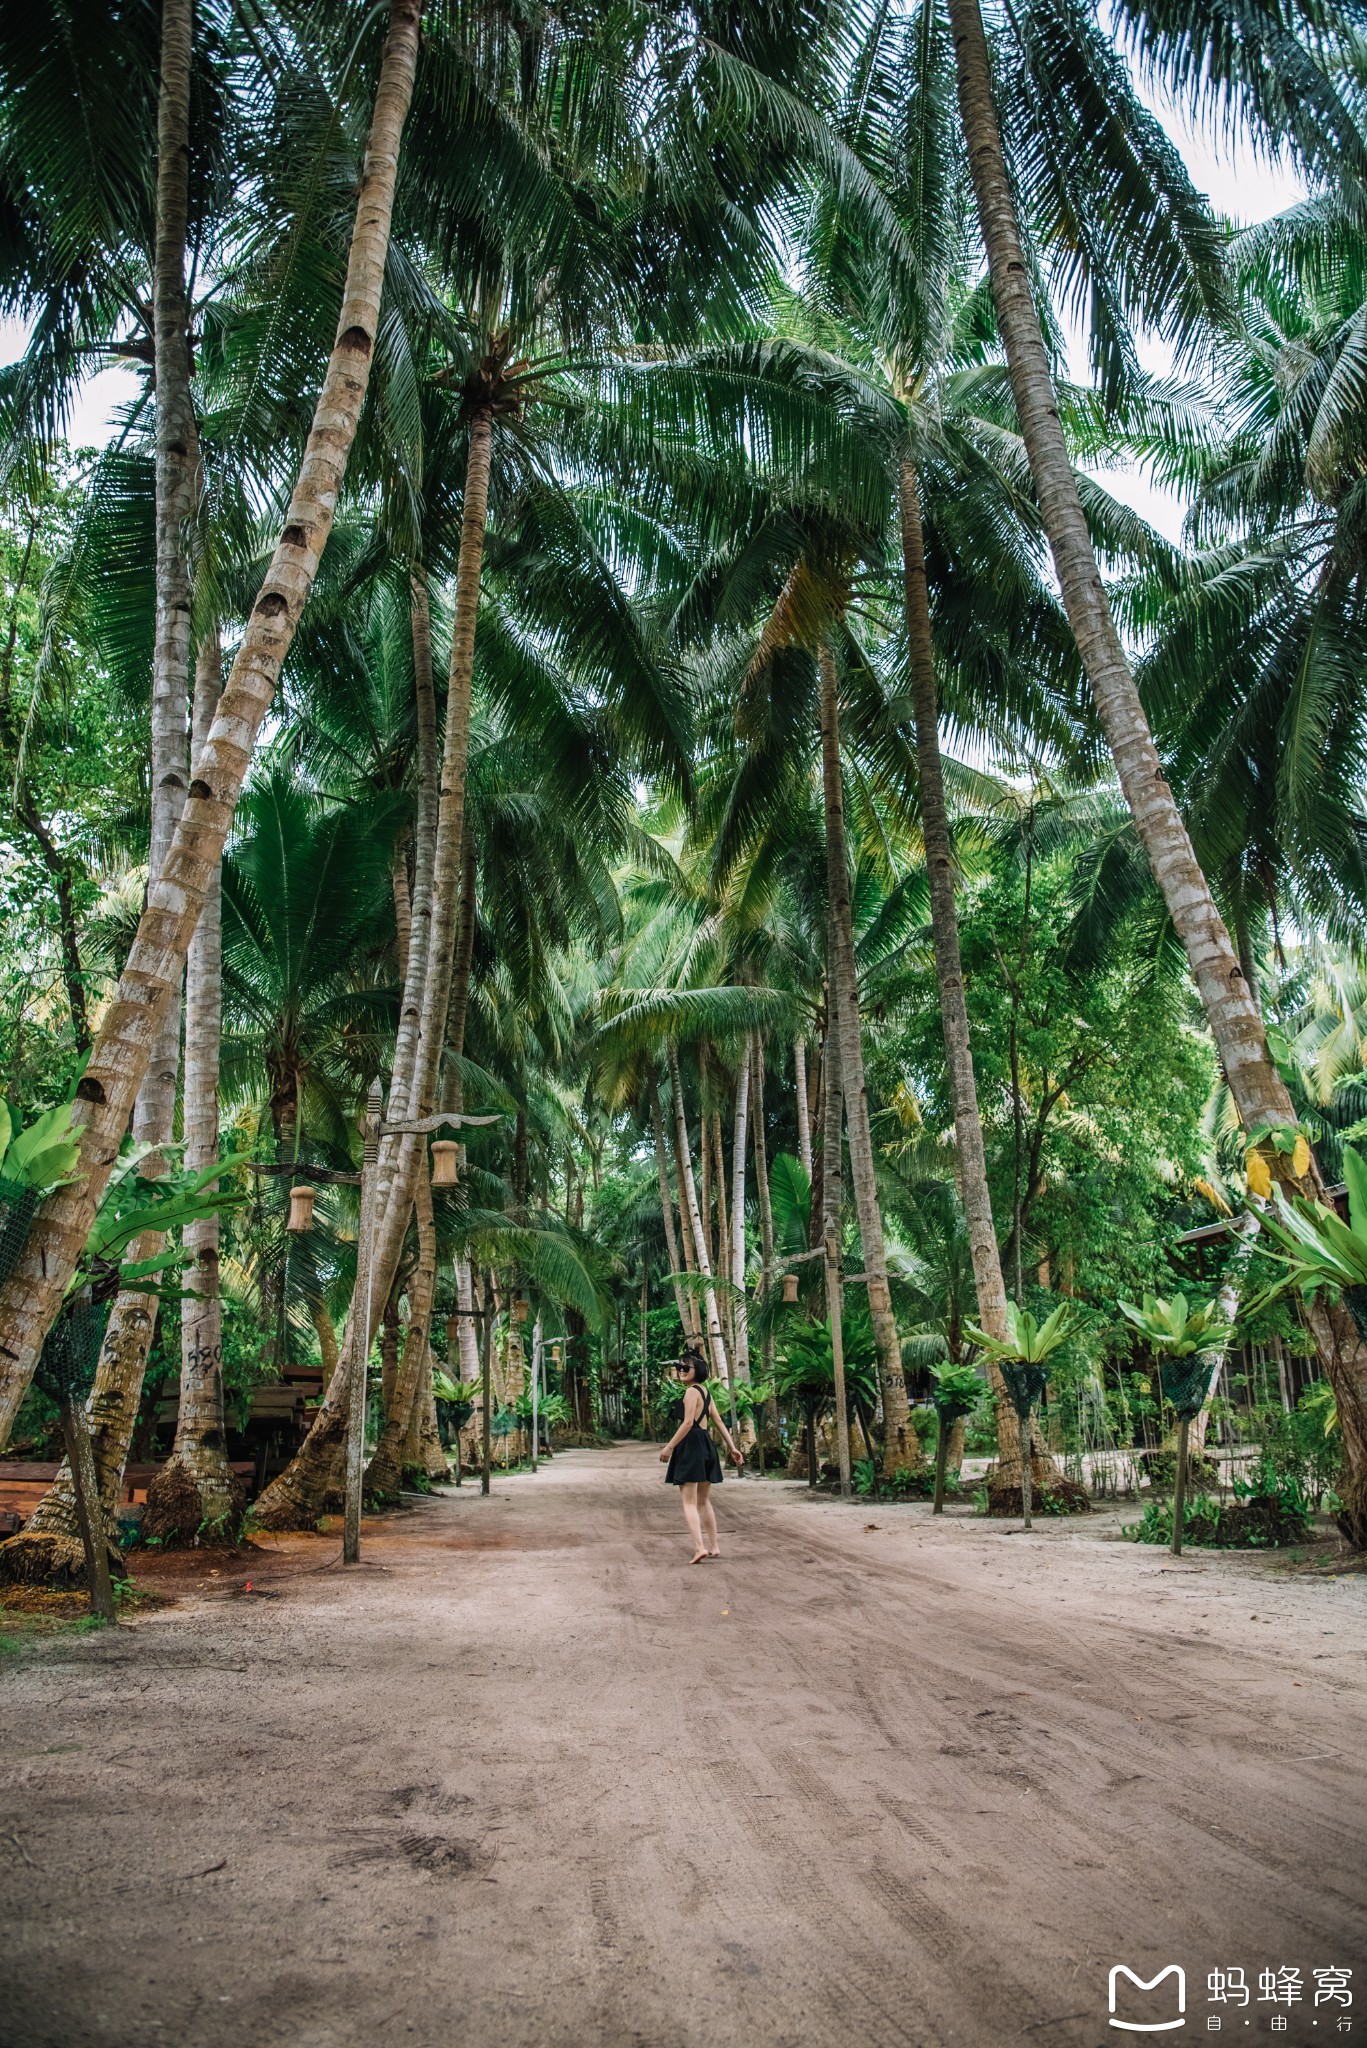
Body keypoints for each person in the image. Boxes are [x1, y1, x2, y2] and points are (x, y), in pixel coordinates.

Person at [659, 1349, 744, 1563]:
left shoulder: (691, 1392)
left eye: (686, 1368)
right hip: (706, 1444)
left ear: (698, 1370)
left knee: (689, 1502)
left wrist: (669, 1447)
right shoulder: (706, 1392)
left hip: (691, 1445)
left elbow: (687, 1423)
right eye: (679, 1367)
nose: (681, 1371)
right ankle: (714, 1546)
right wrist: (732, 1447)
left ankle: (699, 1547)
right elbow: (717, 1420)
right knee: (704, 1500)